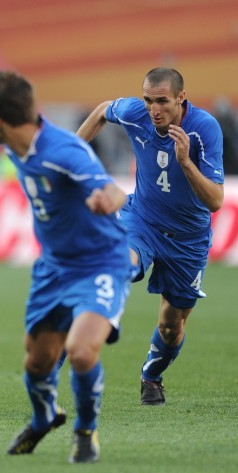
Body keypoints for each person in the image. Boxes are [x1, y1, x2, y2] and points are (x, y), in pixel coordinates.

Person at [0, 71, 133, 464]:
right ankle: (45, 417)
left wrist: (108, 201)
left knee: (80, 351)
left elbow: (112, 188)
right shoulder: (15, 150)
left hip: (100, 263)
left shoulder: (64, 150)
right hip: (53, 268)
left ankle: (85, 432)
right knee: (38, 361)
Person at [76, 67, 224, 406]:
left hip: (188, 239)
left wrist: (186, 162)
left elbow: (215, 200)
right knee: (121, 265)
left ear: (181, 99)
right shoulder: (135, 113)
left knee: (171, 326)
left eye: (162, 101)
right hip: (141, 219)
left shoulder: (204, 129)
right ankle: (95, 319)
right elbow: (101, 111)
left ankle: (151, 375)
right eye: (148, 100)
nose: (153, 109)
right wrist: (70, 155)